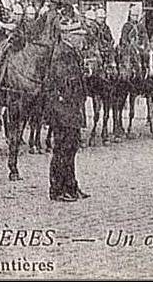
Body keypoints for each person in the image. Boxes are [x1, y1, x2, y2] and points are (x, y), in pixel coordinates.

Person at [46, 15, 91, 202]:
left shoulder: (71, 52)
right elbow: (63, 81)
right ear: (69, 36)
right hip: (63, 109)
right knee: (62, 149)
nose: (82, 39)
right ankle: (57, 189)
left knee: (71, 148)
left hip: (71, 109)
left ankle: (71, 186)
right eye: (79, 35)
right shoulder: (62, 53)